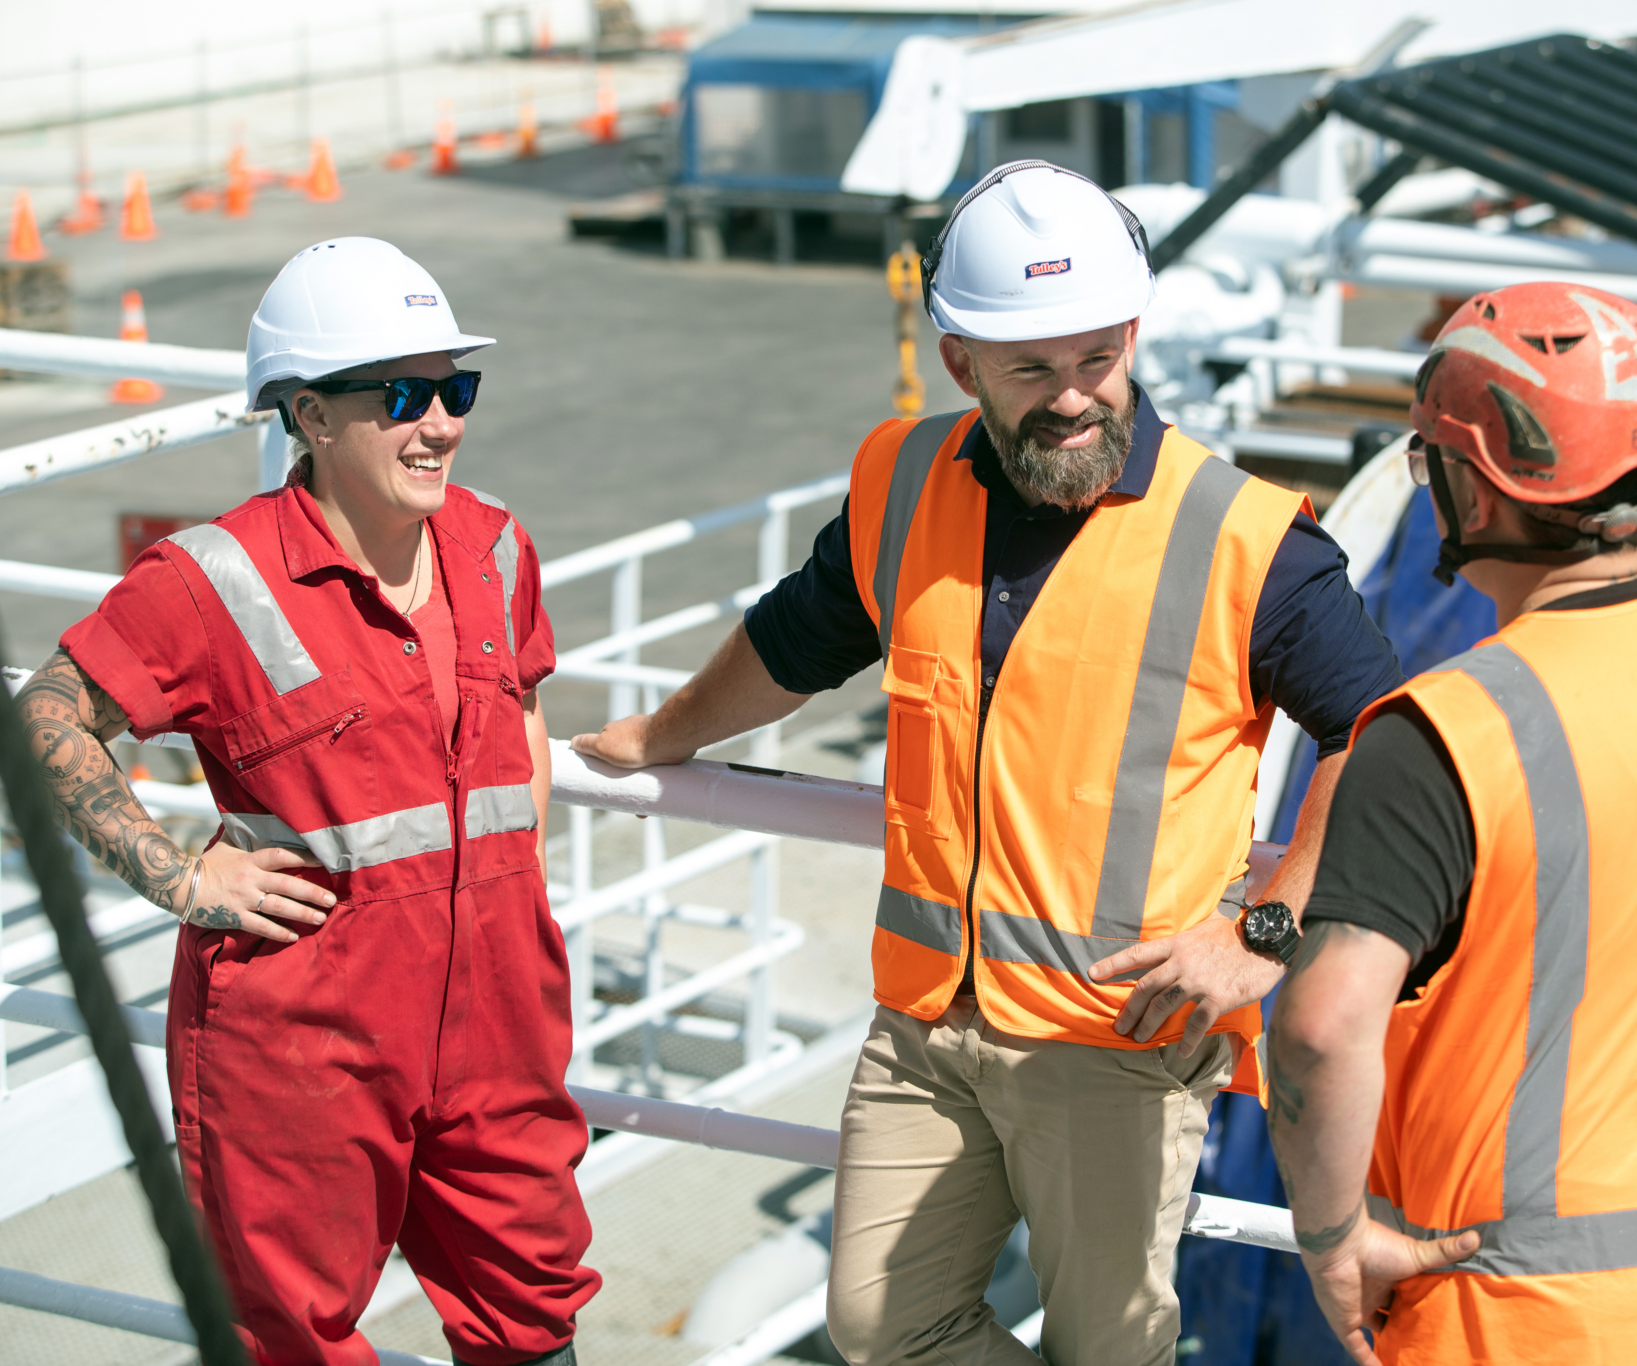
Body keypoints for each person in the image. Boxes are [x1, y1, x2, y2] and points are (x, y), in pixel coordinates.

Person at [571, 161, 1403, 1365]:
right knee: (877, 1325)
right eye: (1030, 370)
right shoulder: (900, 480)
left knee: (1108, 1349)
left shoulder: (1244, 535)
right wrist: (658, 741)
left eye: (1097, 359)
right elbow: (801, 635)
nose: (1072, 398)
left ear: (1132, 333)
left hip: (1117, 1040)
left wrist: (1262, 931)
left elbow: (1381, 731)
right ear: (960, 362)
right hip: (923, 1023)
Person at [17, 237, 596, 1366]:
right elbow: (46, 716)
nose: (440, 422)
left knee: (533, 1311)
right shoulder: (209, 580)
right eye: (401, 394)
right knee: (290, 1337)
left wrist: (498, 885)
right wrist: (179, 872)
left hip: (496, 1021)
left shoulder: (494, 546)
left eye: (454, 388)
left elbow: (515, 706)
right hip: (304, 1043)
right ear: (309, 415)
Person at [1262, 282, 1637, 1365]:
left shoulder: (1444, 734)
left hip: (1512, 1315)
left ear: (1471, 492)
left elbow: (1318, 1026)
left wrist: (1333, 1238)